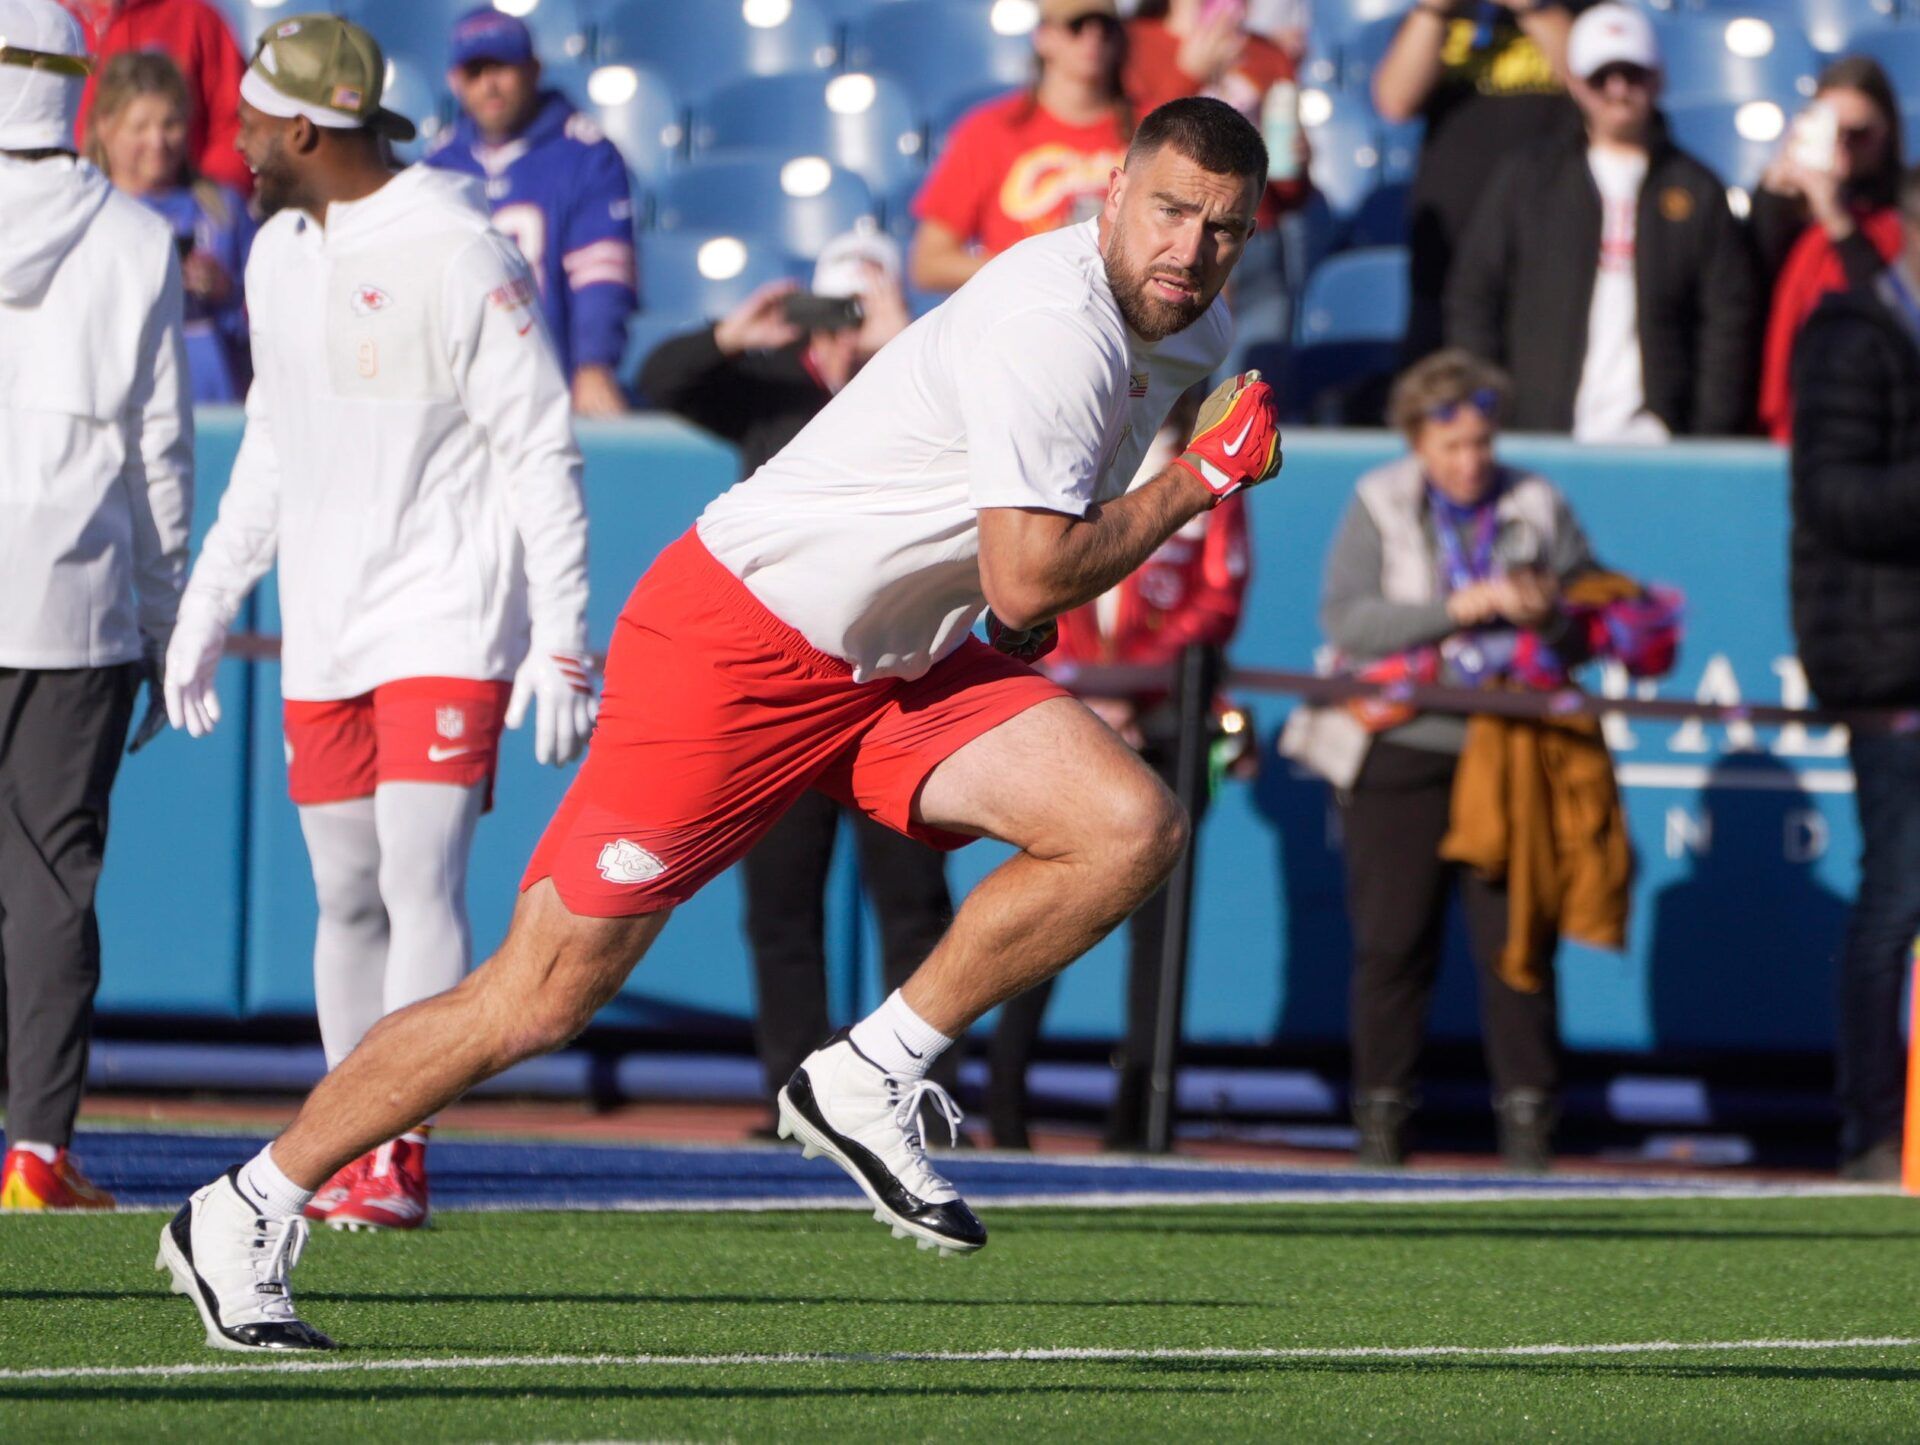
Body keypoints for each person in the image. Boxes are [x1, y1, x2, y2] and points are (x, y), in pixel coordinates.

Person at [158, 96, 1282, 1353]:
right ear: (1113, 187)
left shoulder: (1194, 327)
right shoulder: (1051, 318)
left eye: (1223, 227)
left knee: (1128, 824)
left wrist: (1016, 598)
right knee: (536, 997)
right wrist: (1200, 482)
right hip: (737, 641)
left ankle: (873, 1065)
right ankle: (245, 1202)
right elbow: (1034, 570)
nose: (1190, 248)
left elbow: (1015, 564)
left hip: (889, 662)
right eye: (1172, 210)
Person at [158, 15, 594, 1243]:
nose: (232, 142)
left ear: (303, 127)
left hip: (445, 615)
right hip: (326, 621)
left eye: (246, 121)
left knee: (418, 877)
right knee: (344, 893)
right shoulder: (278, 252)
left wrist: (561, 630)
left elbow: (539, 445)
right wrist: (208, 600)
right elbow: (274, 445)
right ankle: (340, 1137)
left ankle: (393, 1149)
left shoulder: (459, 247)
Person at [1290, 350, 1660, 1172]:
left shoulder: (1536, 500)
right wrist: (1467, 605)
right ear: (1417, 440)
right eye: (1452, 445)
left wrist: (1550, 614)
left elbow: (1590, 627)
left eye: (1483, 443)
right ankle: (1381, 1132)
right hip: (1402, 744)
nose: (1471, 461)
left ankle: (1530, 1135)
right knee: (1392, 945)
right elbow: (1350, 624)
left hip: (1508, 749)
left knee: (1517, 945)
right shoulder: (1378, 499)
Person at [636, 229, 964, 1125]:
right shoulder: (778, 391)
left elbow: (983, 414)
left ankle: (911, 1088)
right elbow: (662, 378)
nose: (845, 330)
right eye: (837, 309)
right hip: (783, 680)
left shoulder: (921, 388)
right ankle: (794, 1090)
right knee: (781, 903)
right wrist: (734, 336)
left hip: (893, 678)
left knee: (912, 900)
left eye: (862, 308)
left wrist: (905, 342)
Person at [0, 0, 192, 1209]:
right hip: (70, 603)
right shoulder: (132, 236)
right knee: (53, 877)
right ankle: (36, 1149)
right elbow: (159, 452)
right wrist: (169, 615)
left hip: (67, 603)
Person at [986, 406, 1252, 1151]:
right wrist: (1087, 693)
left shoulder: (1211, 477)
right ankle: (1003, 1107)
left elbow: (1217, 600)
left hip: (1166, 724)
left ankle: (1139, 1121)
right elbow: (1030, 578)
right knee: (1043, 911)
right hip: (1063, 718)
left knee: (1159, 936)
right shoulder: (1067, 456)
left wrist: (1136, 688)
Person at [1445, 3, 1757, 440]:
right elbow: (1475, 294)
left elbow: (1726, 321)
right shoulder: (1528, 179)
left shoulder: (1697, 189)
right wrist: (1489, 406)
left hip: (1657, 439)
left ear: (1658, 78)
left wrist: (1707, 430)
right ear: (1574, 82)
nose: (1617, 89)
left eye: (1632, 73)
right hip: (1539, 432)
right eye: (1600, 76)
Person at [1789, 165, 1920, 1182]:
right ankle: (1874, 1126)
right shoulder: (1850, 330)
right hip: (1887, 657)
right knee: (1899, 894)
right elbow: (1836, 501)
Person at [424, 6, 637, 418]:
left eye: (502, 67)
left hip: (549, 382)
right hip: (458, 390)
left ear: (534, 69)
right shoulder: (439, 164)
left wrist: (593, 364)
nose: (489, 84)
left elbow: (600, 272)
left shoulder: (585, 155)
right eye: (475, 71)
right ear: (454, 81)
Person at [1372, 0, 1576, 363]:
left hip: (1551, 231)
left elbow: (1597, 86)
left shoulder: (1575, 8)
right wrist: (1433, 11)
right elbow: (1394, 101)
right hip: (1450, 241)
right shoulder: (1445, 14)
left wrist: (1534, 9)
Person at [908, 0, 1132, 295]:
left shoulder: (1153, 129)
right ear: (1043, 36)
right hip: (1025, 311)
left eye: (1106, 27)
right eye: (1076, 25)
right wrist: (1033, 267)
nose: (1093, 36)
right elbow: (929, 263)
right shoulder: (989, 130)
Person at [88, 50, 253, 402]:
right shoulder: (88, 213)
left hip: (217, 409)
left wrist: (226, 292)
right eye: (140, 127)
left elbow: (268, 323)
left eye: (170, 124)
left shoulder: (223, 210)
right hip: (122, 410)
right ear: (105, 126)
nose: (158, 142)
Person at [1756, 57, 1906, 444]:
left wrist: (1835, 216)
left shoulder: (1903, 219)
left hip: (1867, 429)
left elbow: (1891, 310)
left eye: (1857, 134)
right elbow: (1743, 292)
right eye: (1830, 131)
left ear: (1887, 133)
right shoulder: (1791, 217)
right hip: (1787, 428)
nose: (1843, 148)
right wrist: (1774, 196)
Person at [66, 0, 250, 193]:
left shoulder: (192, 17)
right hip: (78, 200)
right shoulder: (50, 20)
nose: (156, 140)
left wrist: (210, 202)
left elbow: (236, 125)